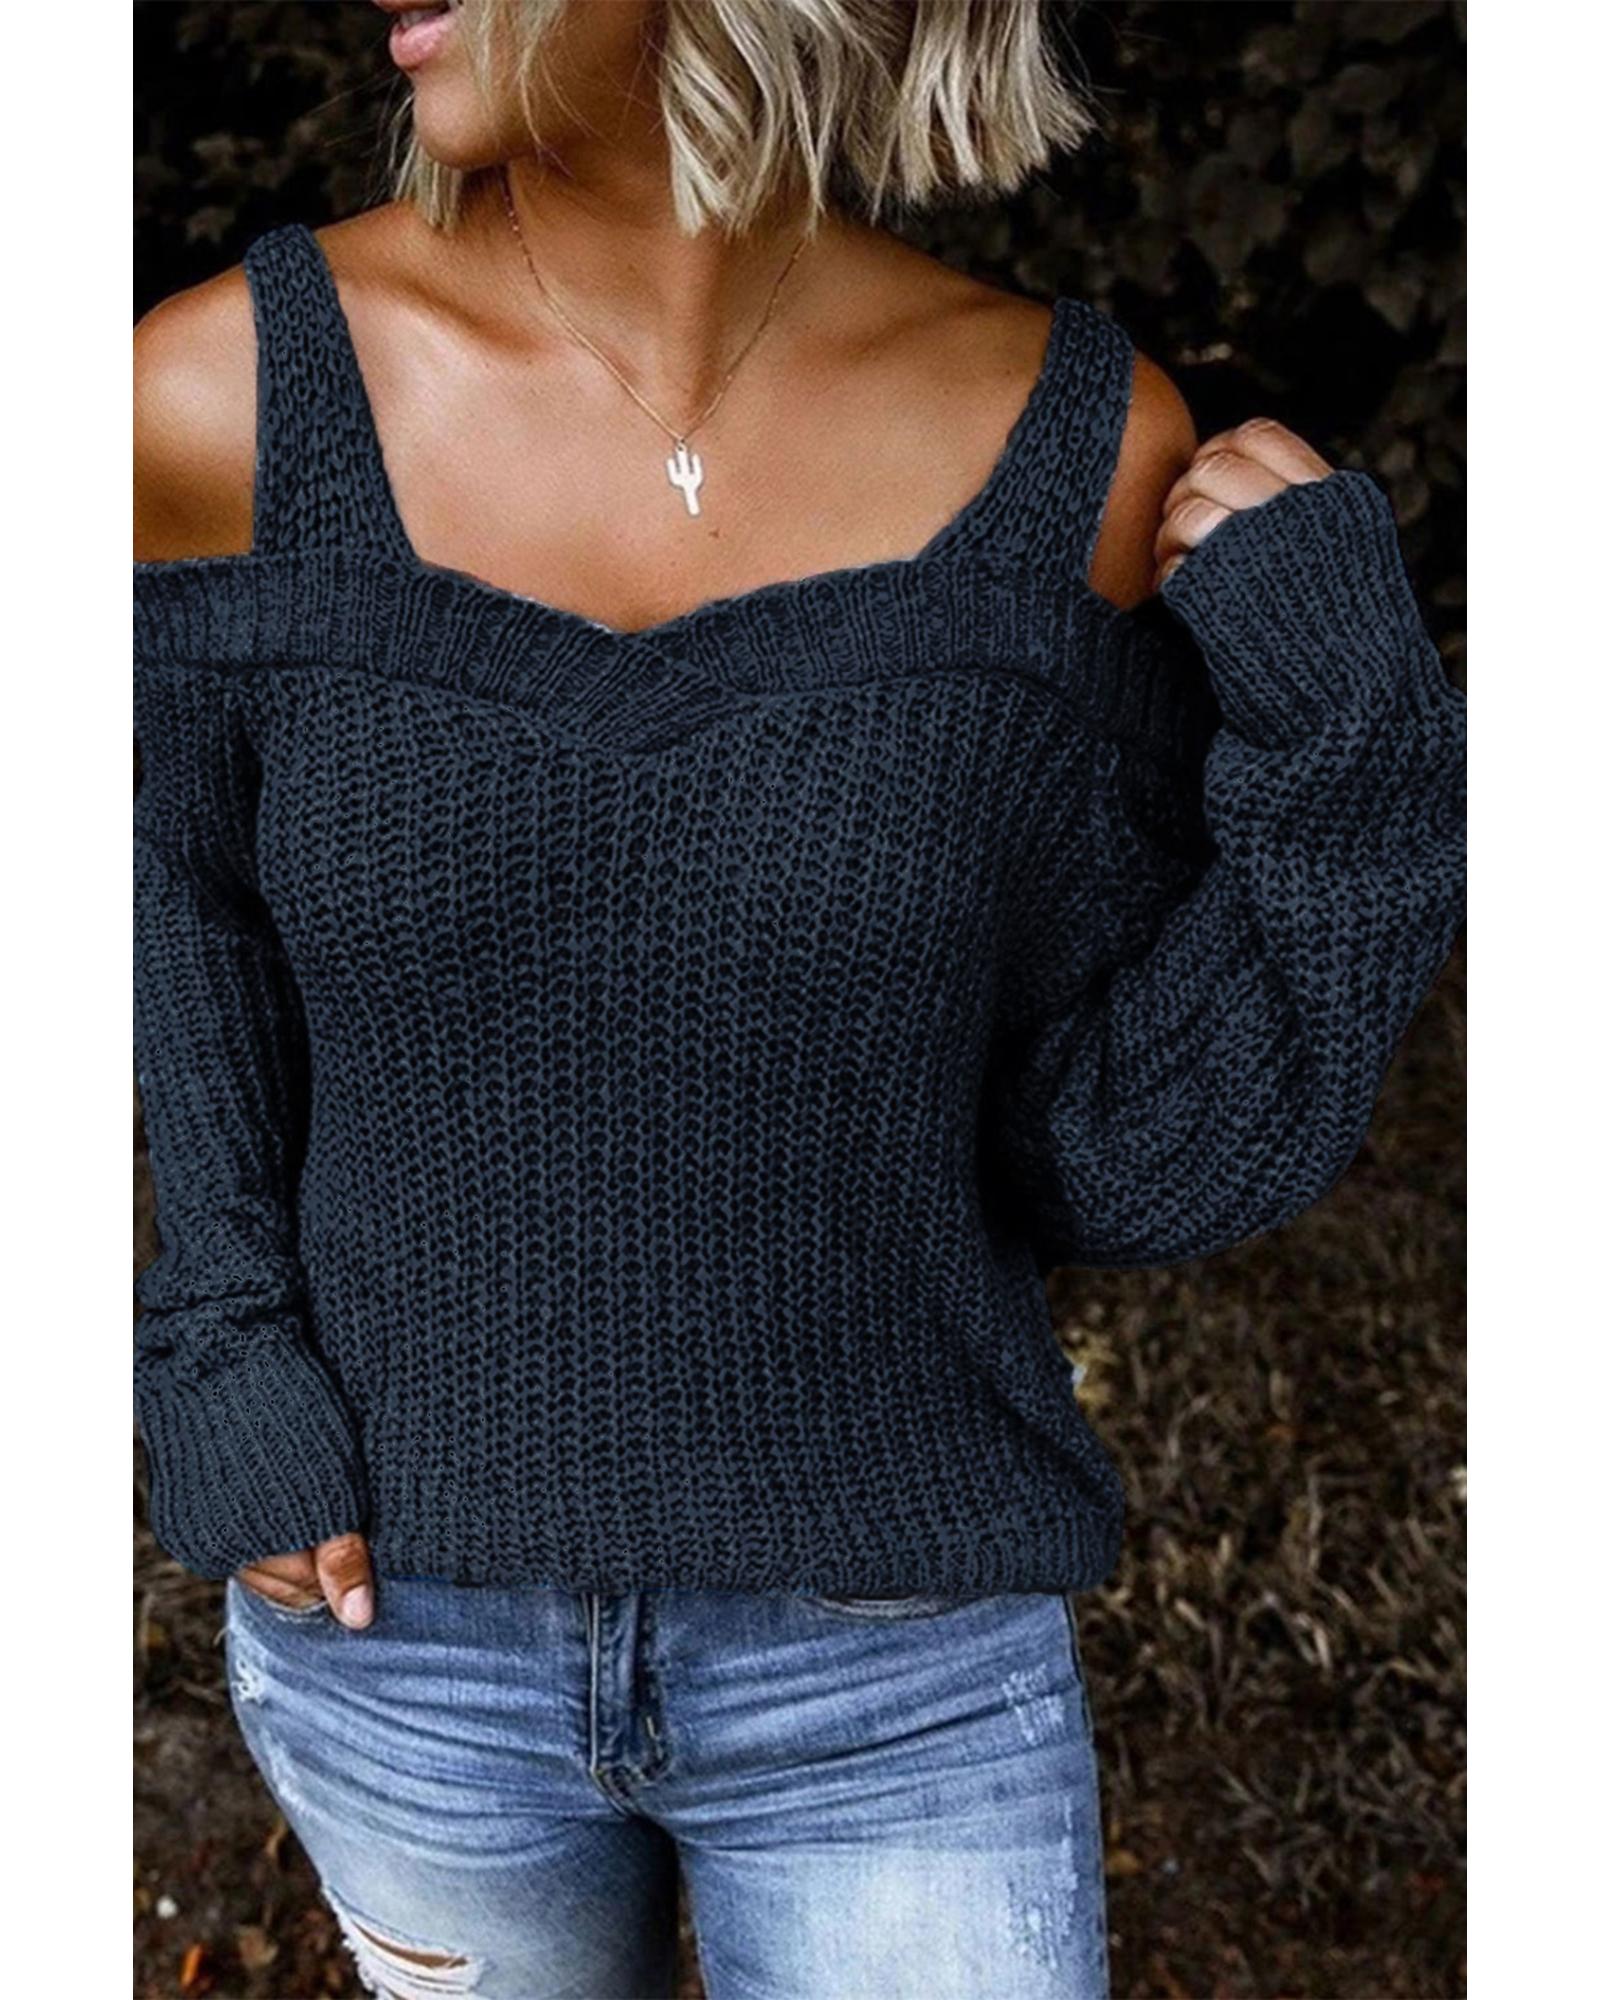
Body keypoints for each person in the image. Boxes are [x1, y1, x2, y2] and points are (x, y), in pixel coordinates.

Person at [132, 2, 1467, 1995]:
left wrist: (1356, 754)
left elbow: (1110, 1154)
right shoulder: (209, 403)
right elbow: (177, 917)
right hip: (405, 1639)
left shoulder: (1079, 451)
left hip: (897, 1658)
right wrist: (219, 1339)